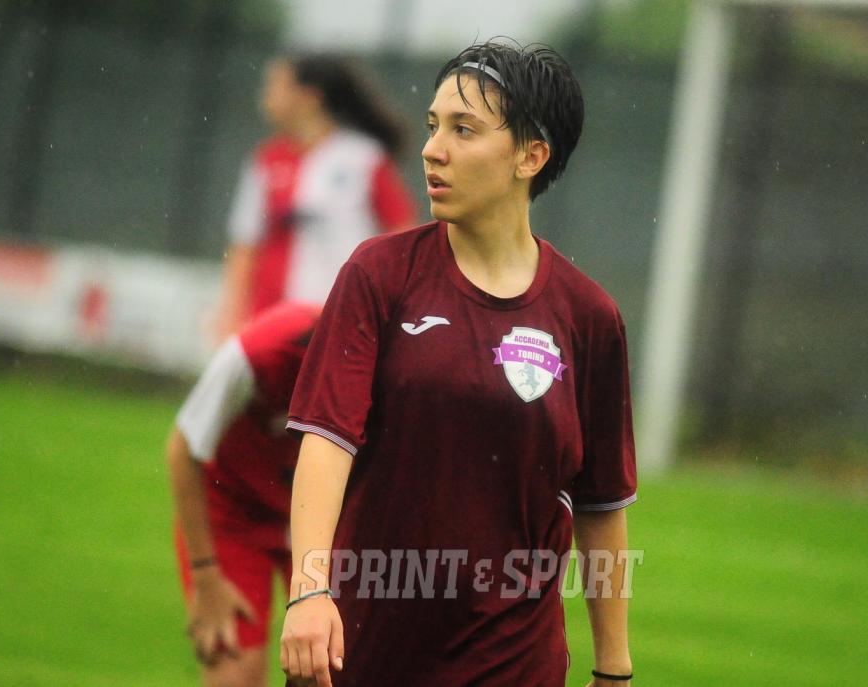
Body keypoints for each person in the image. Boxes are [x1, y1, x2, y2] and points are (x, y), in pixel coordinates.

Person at [279, 40, 637, 687]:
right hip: (363, 650)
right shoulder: (378, 275)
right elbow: (326, 442)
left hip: (514, 662)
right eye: (433, 126)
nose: (432, 149)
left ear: (530, 156)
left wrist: (613, 669)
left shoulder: (589, 318)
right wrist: (309, 591)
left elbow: (602, 501)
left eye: (463, 129)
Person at [212, 54, 416, 342]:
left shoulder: (364, 158)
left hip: (340, 318)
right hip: (269, 317)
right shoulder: (267, 160)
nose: (265, 96)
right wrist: (230, 311)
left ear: (309, 97)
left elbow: (402, 233)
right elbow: (245, 244)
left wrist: (390, 303)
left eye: (275, 86)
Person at [167, 301, 319, 686]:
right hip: (233, 516)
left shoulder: (389, 364)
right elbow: (183, 449)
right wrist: (206, 577)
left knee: (328, 667)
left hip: (322, 521)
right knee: (234, 673)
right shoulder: (258, 352)